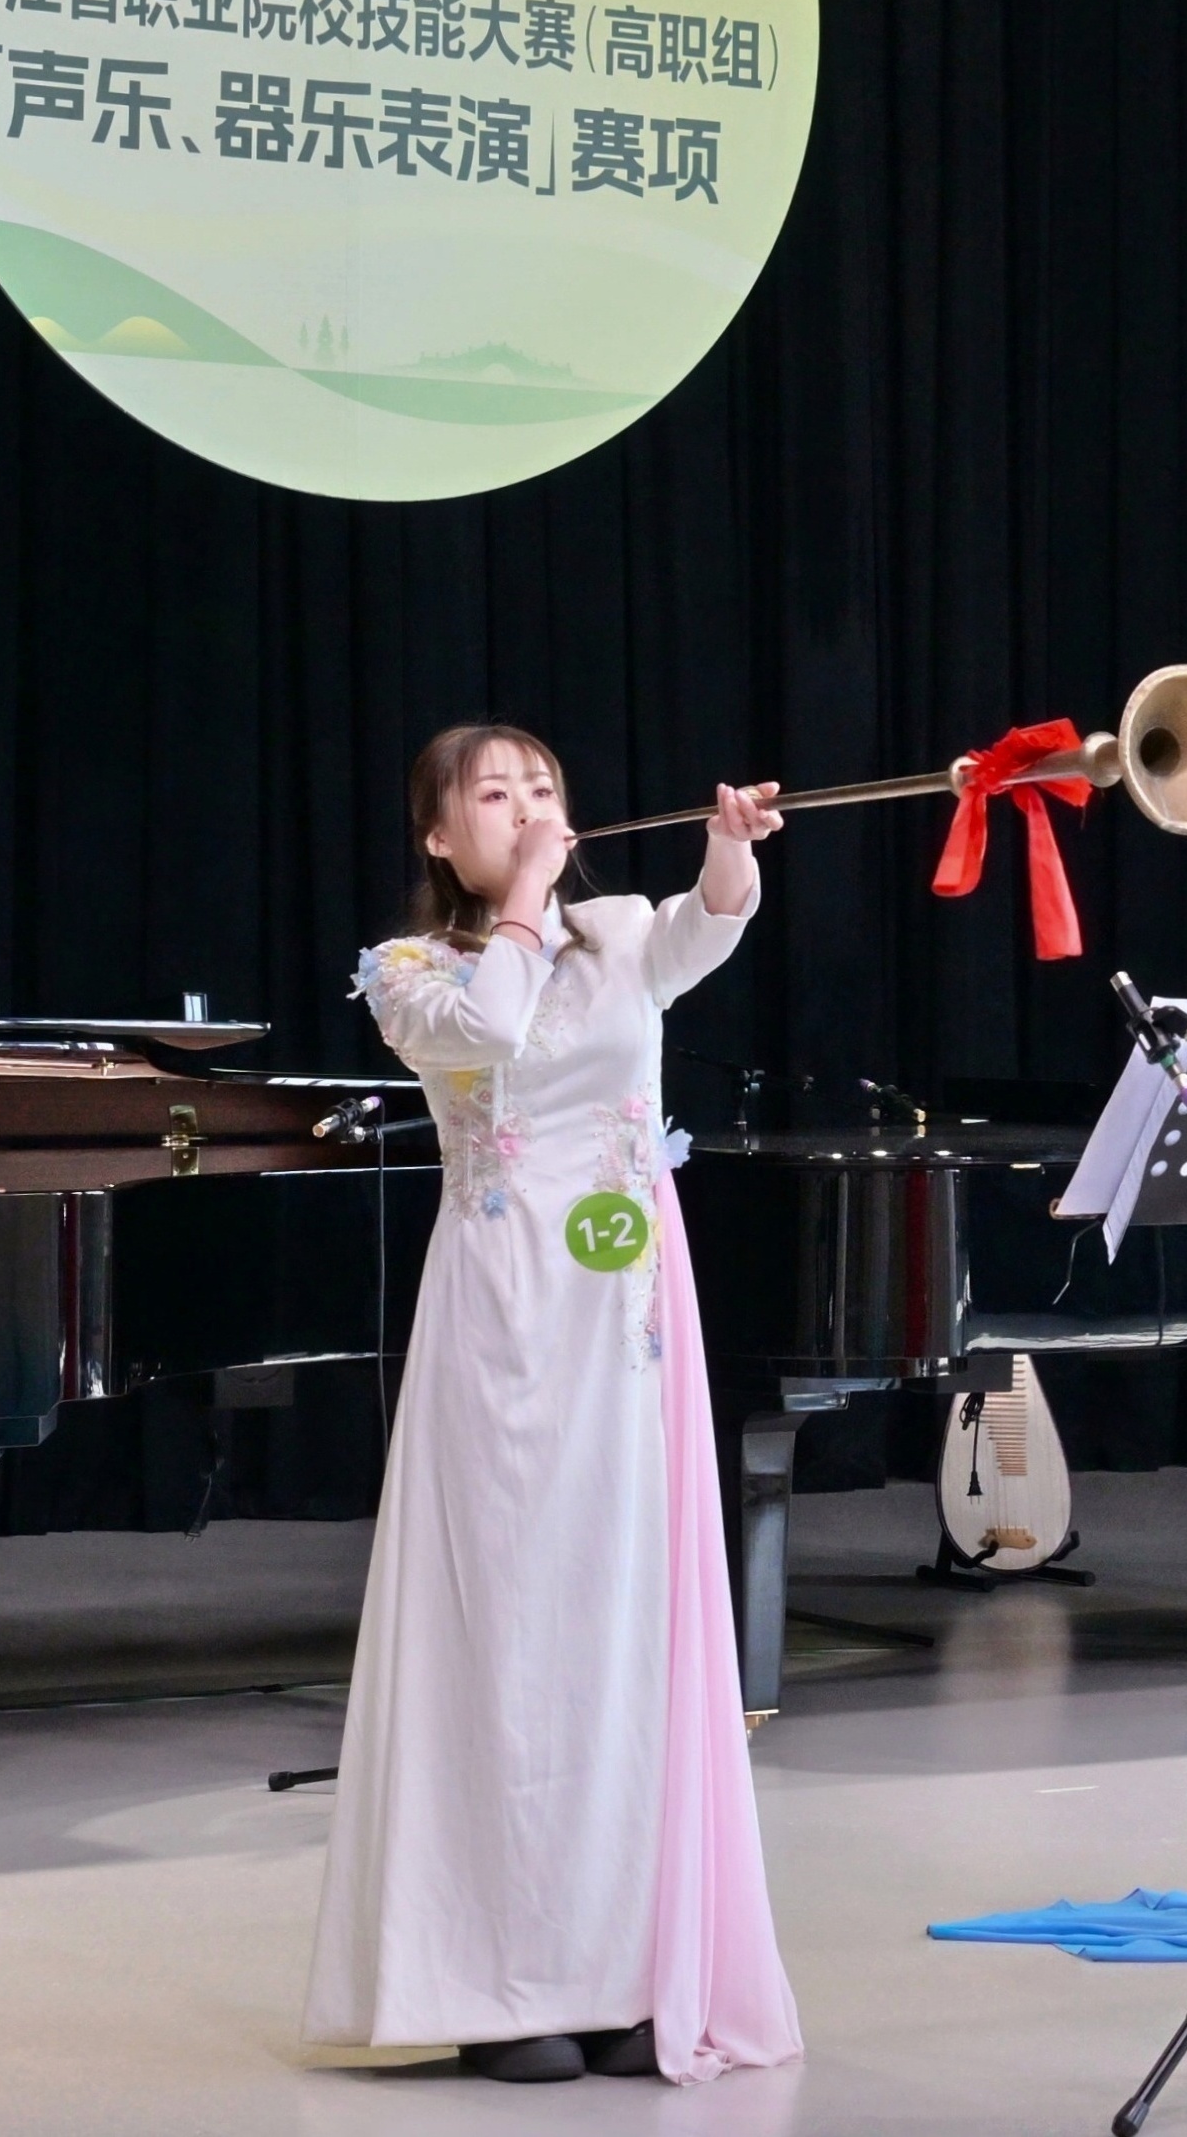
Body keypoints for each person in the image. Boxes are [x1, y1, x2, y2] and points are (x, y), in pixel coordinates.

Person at [304, 725, 805, 2083]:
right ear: (438, 836)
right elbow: (491, 1030)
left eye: (543, 790)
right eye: (495, 794)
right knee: (517, 1627)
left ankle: (631, 1967)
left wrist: (727, 849)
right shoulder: (411, 971)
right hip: (507, 1312)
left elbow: (708, 930)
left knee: (625, 1624)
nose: (528, 808)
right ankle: (503, 1979)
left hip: (626, 1309)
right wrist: (528, 895)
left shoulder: (618, 928)